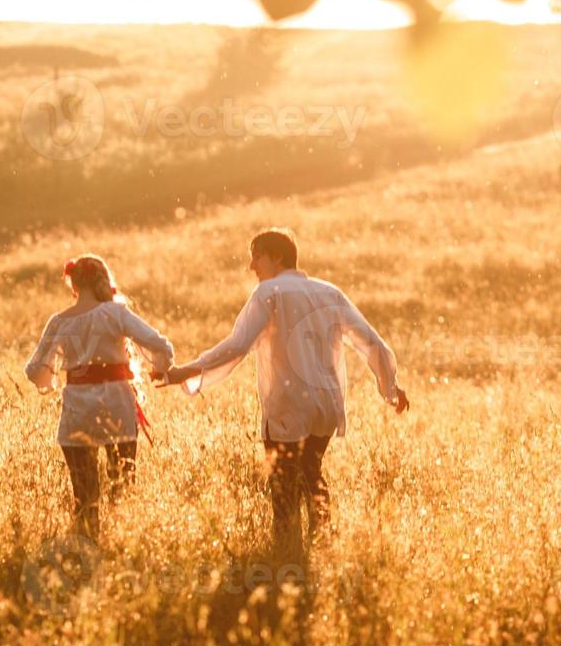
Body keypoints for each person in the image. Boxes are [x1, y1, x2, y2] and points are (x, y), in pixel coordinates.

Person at [163, 228, 409, 559]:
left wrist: (187, 371)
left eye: (257, 255)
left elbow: (238, 345)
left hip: (287, 405)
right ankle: (323, 548)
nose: (252, 265)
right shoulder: (329, 292)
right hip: (325, 404)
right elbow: (370, 341)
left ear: (277, 257)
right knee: (312, 475)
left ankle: (286, 555)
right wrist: (390, 387)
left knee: (283, 488)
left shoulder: (269, 293)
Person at [25, 254, 175, 540]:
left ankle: (88, 545)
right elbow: (159, 344)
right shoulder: (115, 313)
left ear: (74, 284)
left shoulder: (58, 322)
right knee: (123, 485)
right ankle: (123, 543)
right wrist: (160, 369)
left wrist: (51, 378)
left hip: (77, 409)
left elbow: (34, 370)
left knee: (84, 494)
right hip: (116, 404)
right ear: (103, 280)